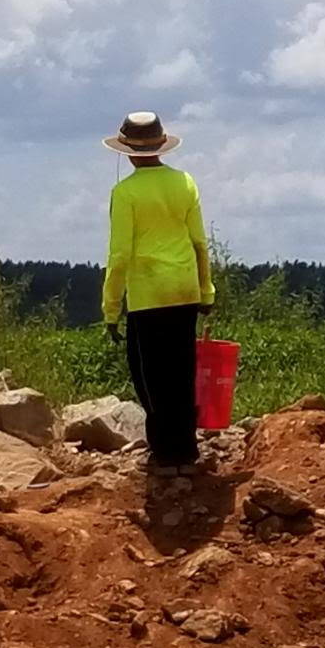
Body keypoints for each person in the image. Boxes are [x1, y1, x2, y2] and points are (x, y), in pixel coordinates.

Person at [101, 111, 215, 471]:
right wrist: (206, 289)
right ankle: (186, 451)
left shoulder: (125, 192)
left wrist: (110, 306)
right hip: (184, 288)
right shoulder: (185, 183)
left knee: (149, 375)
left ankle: (164, 454)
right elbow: (199, 241)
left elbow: (119, 255)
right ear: (161, 145)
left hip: (147, 293)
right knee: (182, 370)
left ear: (128, 152)